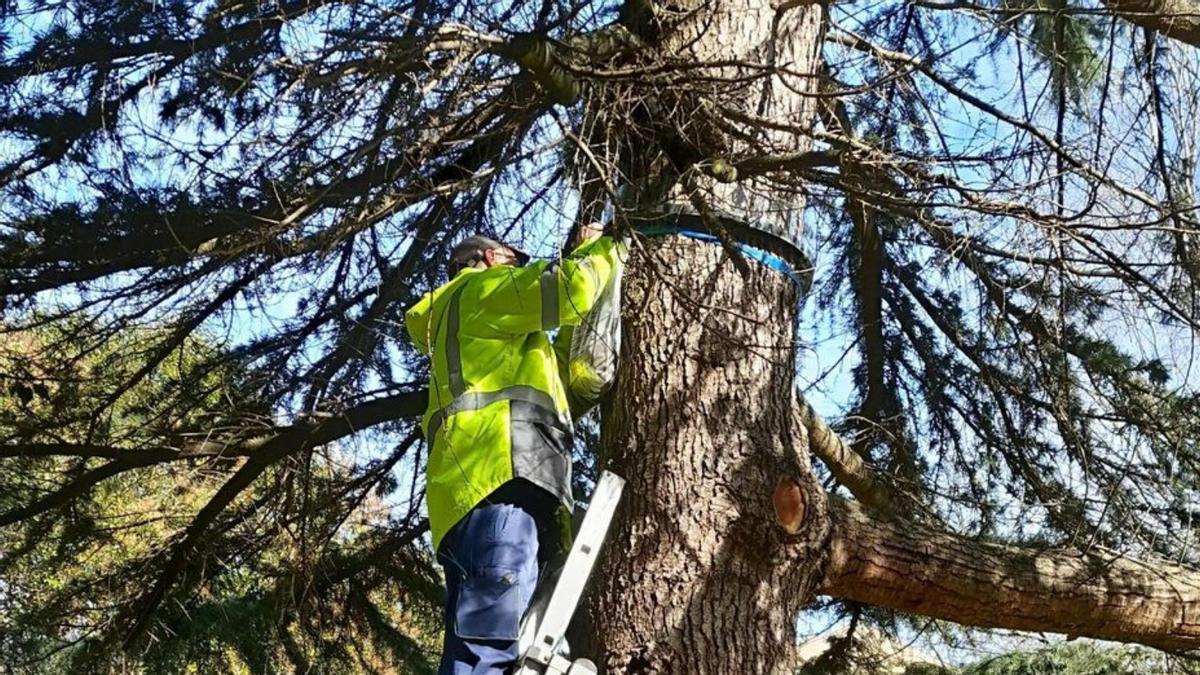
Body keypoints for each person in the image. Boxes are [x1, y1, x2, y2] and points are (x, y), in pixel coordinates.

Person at [404, 225, 621, 674]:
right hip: (499, 477)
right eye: (513, 262)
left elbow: (566, 381)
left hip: (482, 489)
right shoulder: (480, 290)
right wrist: (608, 246)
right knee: (486, 648)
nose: (519, 270)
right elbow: (570, 289)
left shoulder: (492, 335)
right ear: (485, 259)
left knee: (488, 644)